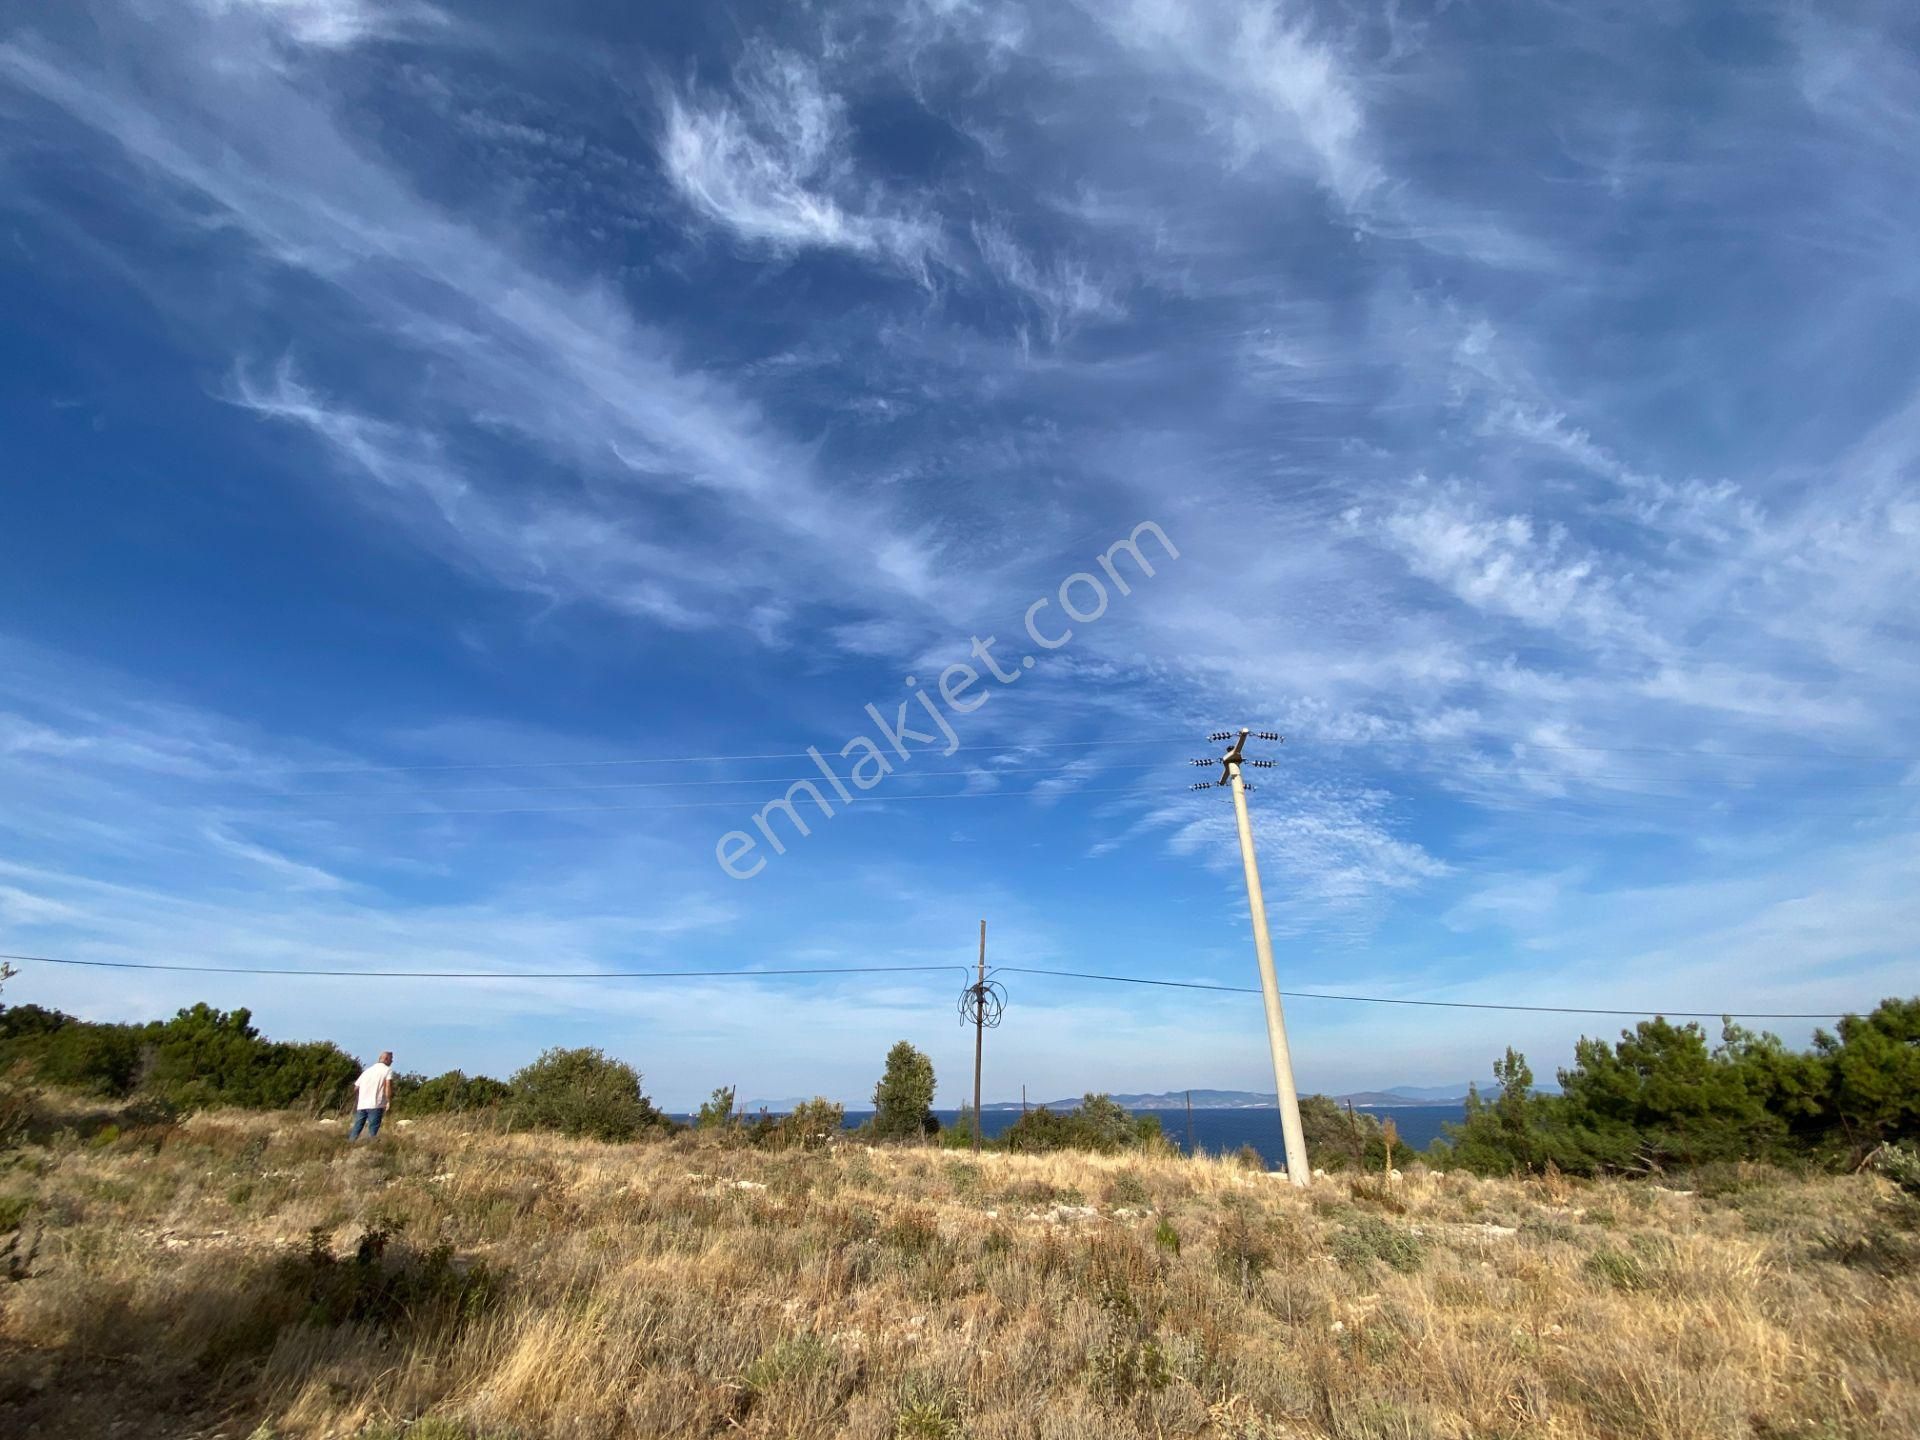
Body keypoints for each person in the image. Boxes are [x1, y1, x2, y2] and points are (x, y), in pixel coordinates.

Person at [348, 1051, 394, 1140]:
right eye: (391, 1059)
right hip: (376, 1103)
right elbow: (388, 1086)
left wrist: (361, 1097)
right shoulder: (387, 1070)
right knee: (373, 1130)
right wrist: (388, 1101)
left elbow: (356, 1087)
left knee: (357, 1128)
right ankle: (371, 1147)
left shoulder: (367, 1071)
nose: (392, 1061)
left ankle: (350, 1145)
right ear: (386, 1059)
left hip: (362, 1104)